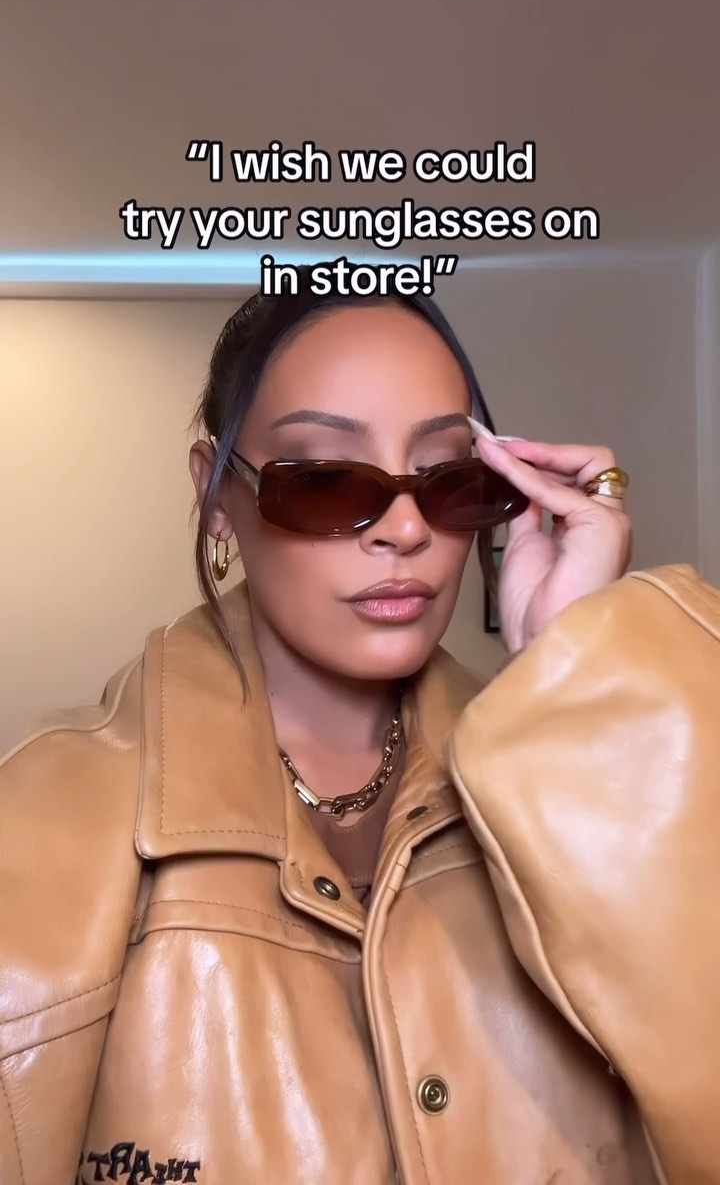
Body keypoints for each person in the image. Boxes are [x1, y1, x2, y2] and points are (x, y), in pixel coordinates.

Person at [0, 270, 715, 1185]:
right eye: (328, 481)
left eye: (448, 479)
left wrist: (586, 665)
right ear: (217, 496)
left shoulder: (582, 788)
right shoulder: (43, 817)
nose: (405, 528)